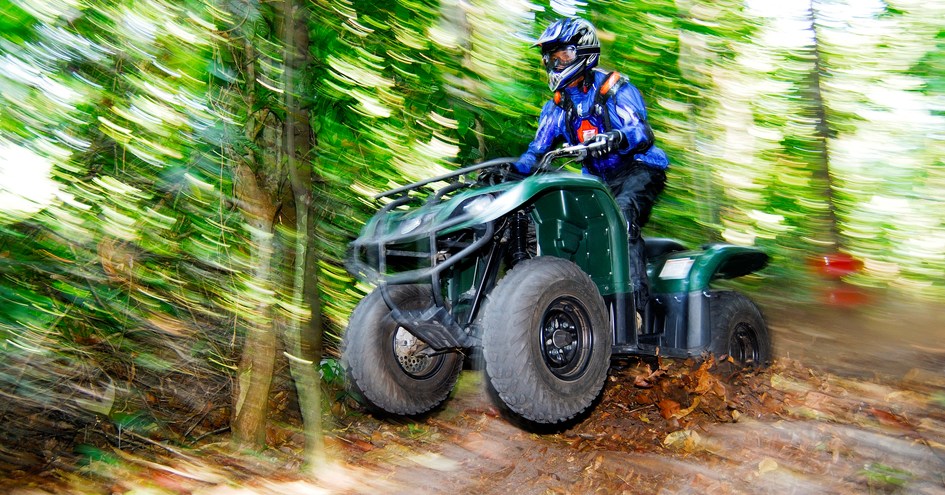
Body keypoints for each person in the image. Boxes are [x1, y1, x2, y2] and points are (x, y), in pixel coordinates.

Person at [514, 17, 669, 316]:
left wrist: (617, 137)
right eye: (551, 58)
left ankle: (635, 313)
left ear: (584, 52)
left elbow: (642, 132)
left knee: (621, 219)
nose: (556, 63)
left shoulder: (613, 88)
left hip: (639, 169)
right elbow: (537, 151)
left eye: (564, 55)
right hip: (599, 180)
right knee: (567, 227)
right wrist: (512, 169)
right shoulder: (557, 106)